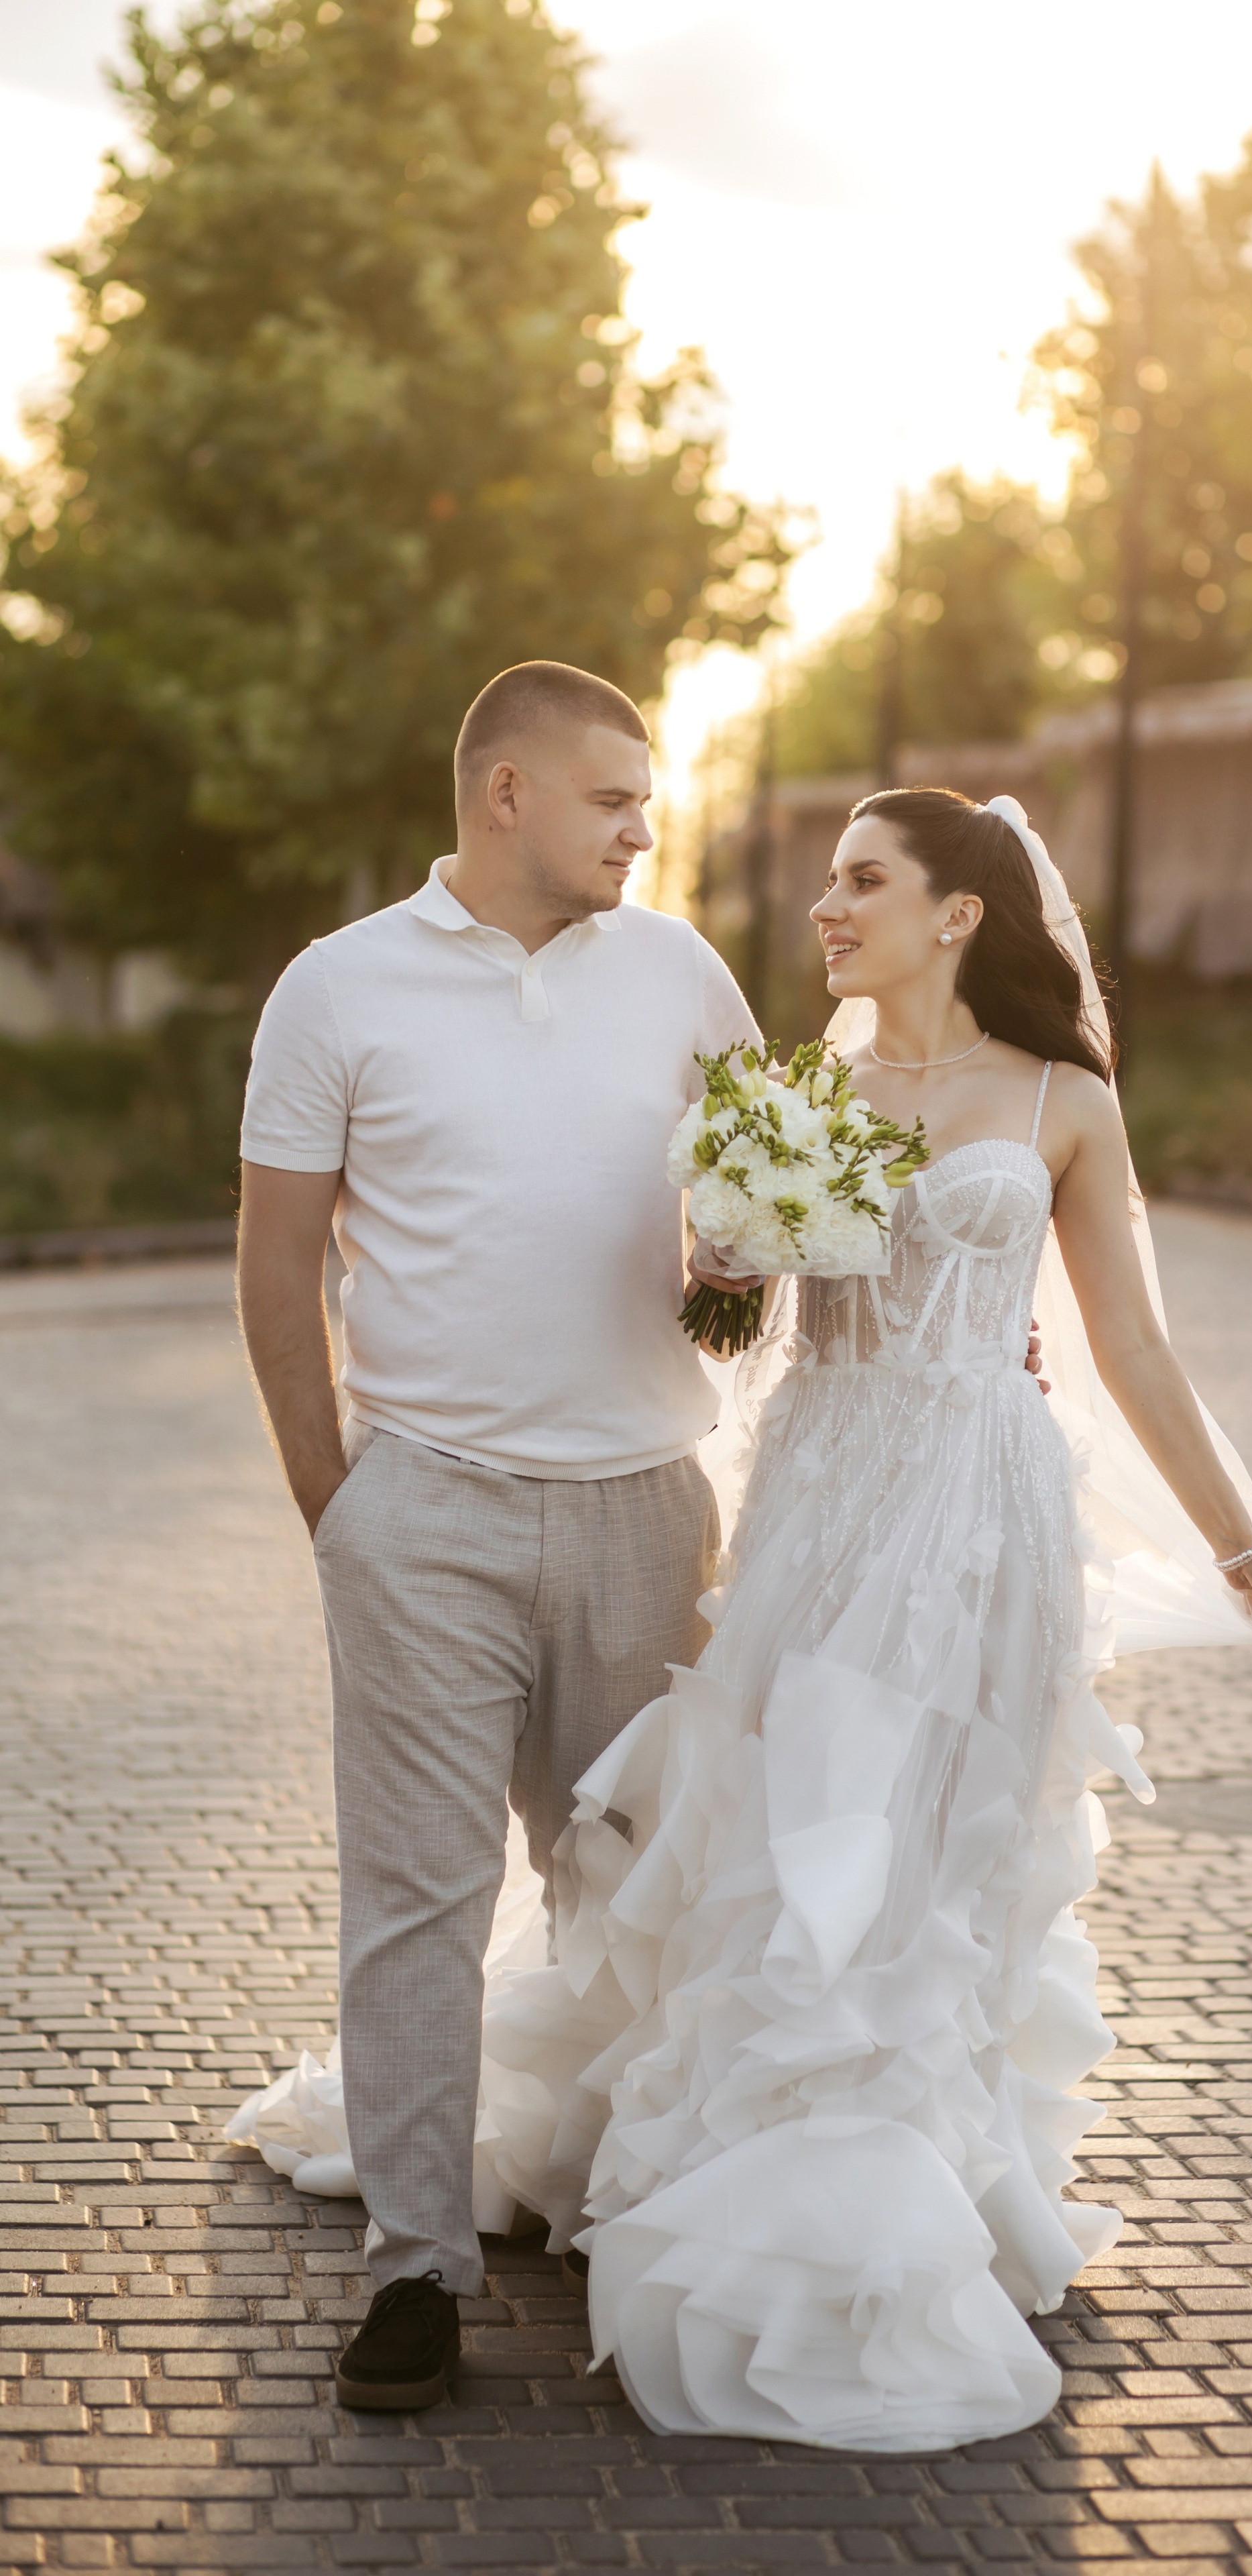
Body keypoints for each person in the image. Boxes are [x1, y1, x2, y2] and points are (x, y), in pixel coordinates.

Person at [334, 784, 1252, 2451]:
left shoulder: (1064, 1098)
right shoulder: (799, 1096)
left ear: (956, 913)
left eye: (863, 880)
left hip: (982, 1508)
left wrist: (1238, 1530)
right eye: (828, 884)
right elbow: (728, 1317)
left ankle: (921, 2171)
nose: (827, 910)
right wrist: (723, 1258)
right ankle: (754, 2168)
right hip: (823, 1491)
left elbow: (1129, 1344)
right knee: (786, 1833)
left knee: (933, 1850)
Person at [232, 661, 766, 2412]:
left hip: (650, 1507)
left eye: (648, 804)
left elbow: (769, 1212)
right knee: (416, 1901)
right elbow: (275, 1265)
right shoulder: (337, 988)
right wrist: (340, 1504)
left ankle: (628, 2205)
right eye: (613, 799)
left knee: (633, 1883)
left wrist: (758, 1275)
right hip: (425, 1510)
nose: (642, 831)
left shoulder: (682, 973)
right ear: (506, 792)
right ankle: (415, 2272)